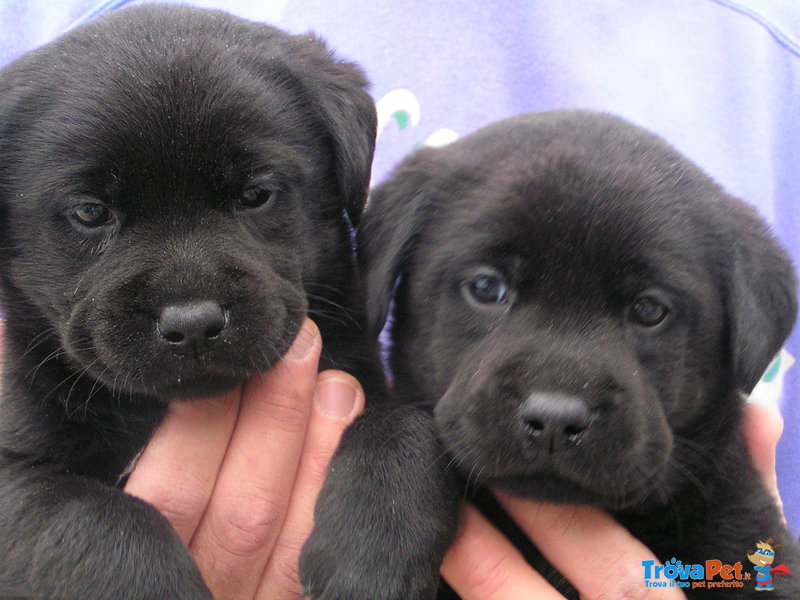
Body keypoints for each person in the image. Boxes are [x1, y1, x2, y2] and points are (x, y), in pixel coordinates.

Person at [1, 1, 797, 598]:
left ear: (348, 195)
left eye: (256, 196)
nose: (190, 305)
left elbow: (750, 569)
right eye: (89, 214)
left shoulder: (766, 54)